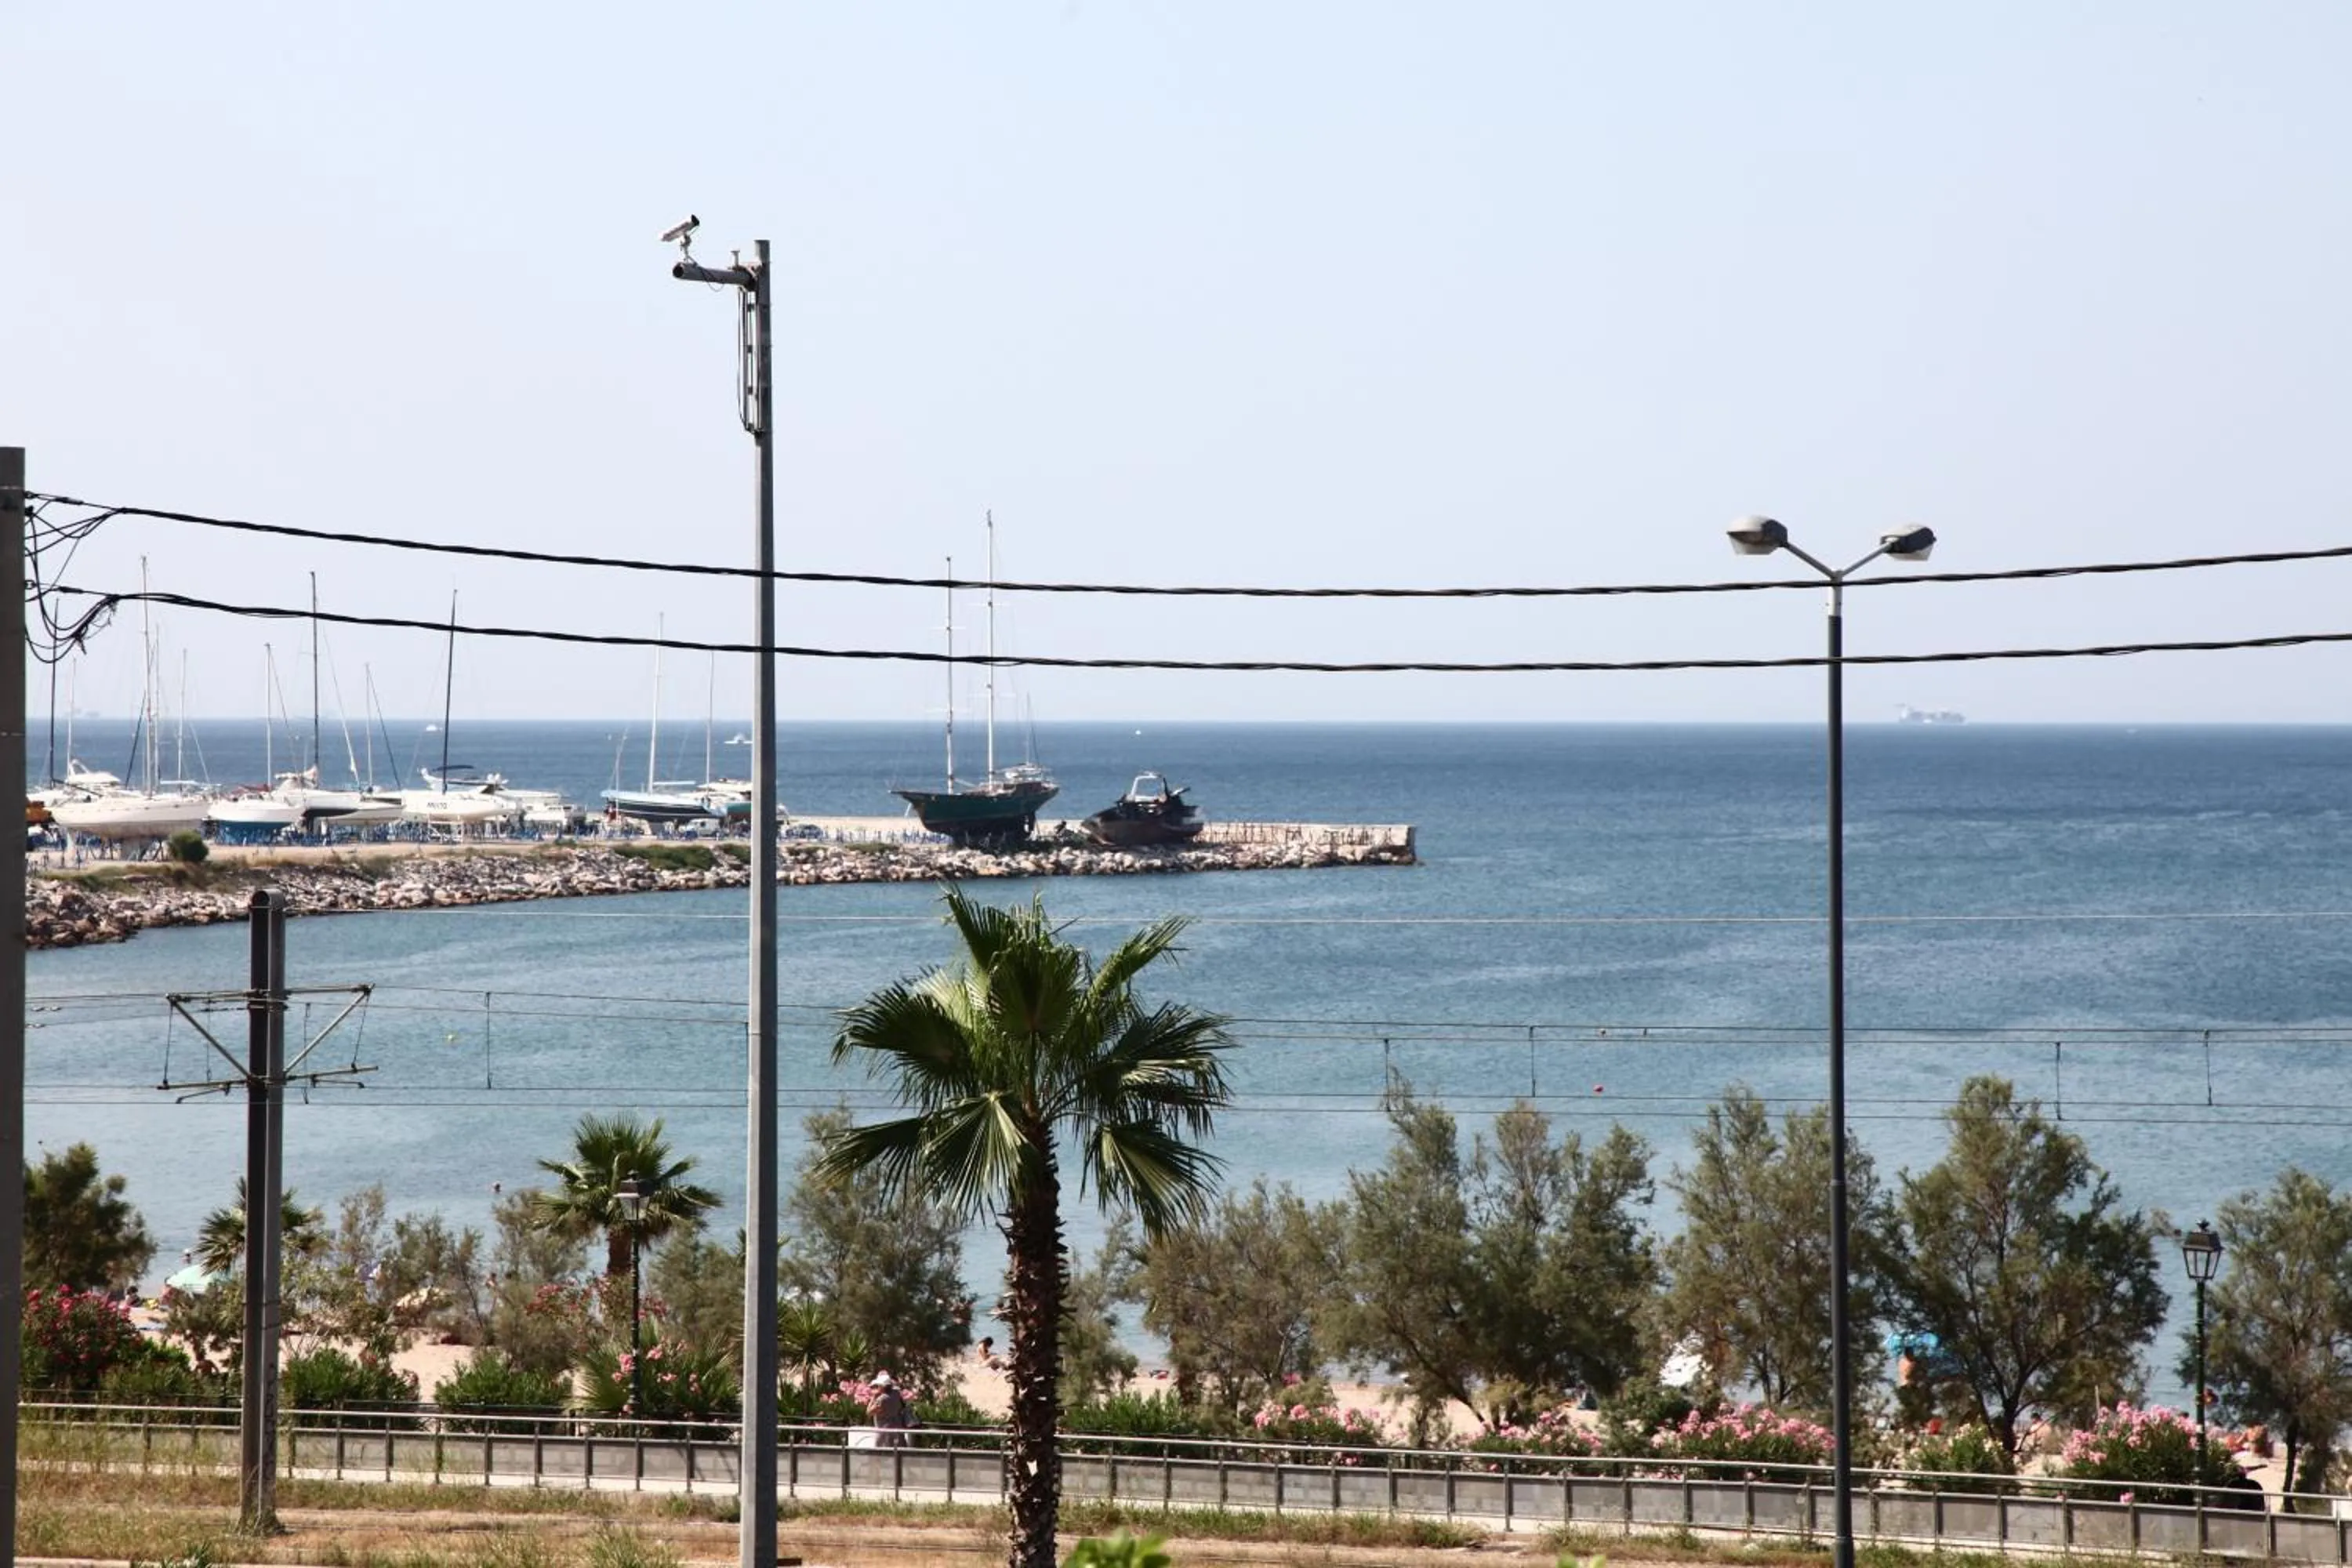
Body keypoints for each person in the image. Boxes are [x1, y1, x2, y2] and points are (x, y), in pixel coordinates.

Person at [868, 1370, 913, 1447]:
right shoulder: (896, 1393)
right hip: (897, 1431)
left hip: (884, 1434)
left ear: (882, 1386)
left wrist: (874, 1397)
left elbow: (869, 1412)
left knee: (883, 1456)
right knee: (898, 1454)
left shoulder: (882, 1399)